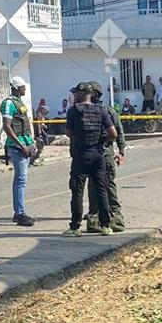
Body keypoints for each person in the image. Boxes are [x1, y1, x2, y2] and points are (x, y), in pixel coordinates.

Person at [65, 82, 118, 236]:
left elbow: (68, 133)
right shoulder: (101, 111)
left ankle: (75, 227)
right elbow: (113, 134)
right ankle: (105, 226)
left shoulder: (73, 111)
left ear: (82, 94)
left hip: (81, 155)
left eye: (76, 93)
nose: (74, 96)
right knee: (101, 189)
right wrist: (101, 141)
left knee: (77, 191)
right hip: (98, 154)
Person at [85, 83, 127, 233]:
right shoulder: (85, 111)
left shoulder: (107, 111)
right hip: (93, 152)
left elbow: (118, 131)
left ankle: (115, 217)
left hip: (104, 151)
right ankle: (95, 218)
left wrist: (121, 151)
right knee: (93, 186)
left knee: (108, 184)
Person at [0, 76, 37, 226]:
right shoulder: (8, 103)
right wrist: (21, 145)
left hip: (25, 144)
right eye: (22, 86)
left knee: (20, 180)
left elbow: (24, 126)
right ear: (16, 88)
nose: (25, 89)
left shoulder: (19, 103)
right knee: (21, 180)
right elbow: (7, 127)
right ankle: (20, 213)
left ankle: (18, 212)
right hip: (17, 147)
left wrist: (31, 143)